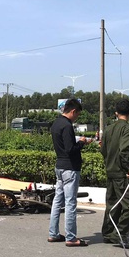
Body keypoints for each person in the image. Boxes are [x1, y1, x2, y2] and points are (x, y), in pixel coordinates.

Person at [48, 98, 90, 247]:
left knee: (57, 201)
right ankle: (71, 237)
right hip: (70, 168)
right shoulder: (67, 126)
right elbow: (70, 149)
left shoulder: (56, 123)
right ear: (73, 111)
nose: (77, 117)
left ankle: (53, 233)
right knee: (70, 203)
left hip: (60, 166)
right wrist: (82, 142)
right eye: (77, 114)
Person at [100, 99, 129, 249]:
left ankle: (108, 233)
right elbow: (124, 150)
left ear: (116, 113)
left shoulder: (108, 129)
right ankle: (120, 234)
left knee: (113, 204)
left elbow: (103, 150)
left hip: (110, 171)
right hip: (122, 173)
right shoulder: (128, 129)